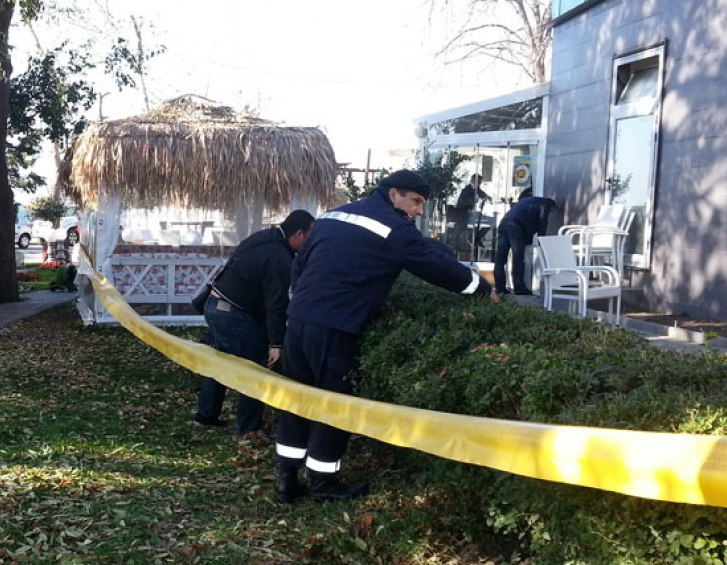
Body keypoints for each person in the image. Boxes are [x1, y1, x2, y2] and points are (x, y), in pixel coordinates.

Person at [274, 169, 500, 503]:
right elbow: (435, 266)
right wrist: (481, 287)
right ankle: (323, 482)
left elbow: (300, 263)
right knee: (334, 403)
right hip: (335, 327)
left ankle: (287, 480)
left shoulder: (334, 215)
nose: (419, 210)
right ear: (394, 194)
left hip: (299, 319)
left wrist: (302, 301)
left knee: (296, 399)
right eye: (416, 201)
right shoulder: (393, 228)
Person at [194, 209, 315, 436]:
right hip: (233, 313)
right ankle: (249, 429)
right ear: (299, 234)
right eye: (310, 237)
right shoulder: (279, 258)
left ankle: (206, 415)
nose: (310, 244)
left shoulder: (263, 237)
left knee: (222, 360)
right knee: (255, 367)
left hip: (214, 305)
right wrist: (276, 343)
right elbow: (276, 304)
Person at [493, 196, 556, 296]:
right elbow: (542, 224)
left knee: (500, 259)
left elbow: (527, 219)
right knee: (518, 257)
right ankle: (519, 287)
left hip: (504, 223)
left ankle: (499, 288)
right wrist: (542, 243)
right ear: (551, 206)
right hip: (515, 227)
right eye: (551, 211)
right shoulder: (545, 205)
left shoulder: (528, 201)